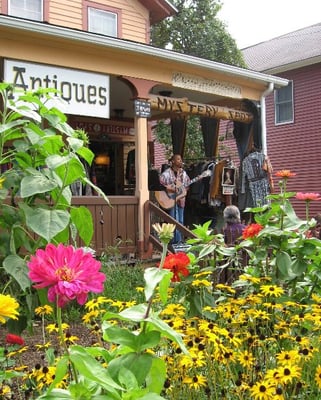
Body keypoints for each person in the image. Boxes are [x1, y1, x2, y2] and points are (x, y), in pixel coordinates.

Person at [159, 154, 190, 244]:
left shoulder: (183, 174)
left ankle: (179, 241)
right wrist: (169, 188)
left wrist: (183, 190)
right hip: (170, 199)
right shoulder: (166, 173)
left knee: (180, 220)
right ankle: (173, 242)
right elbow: (161, 185)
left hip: (181, 199)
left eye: (181, 159)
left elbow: (187, 184)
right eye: (178, 159)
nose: (180, 161)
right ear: (173, 161)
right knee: (173, 220)